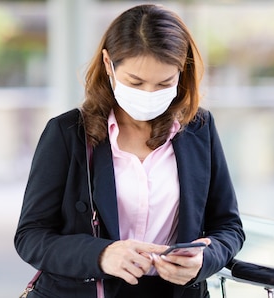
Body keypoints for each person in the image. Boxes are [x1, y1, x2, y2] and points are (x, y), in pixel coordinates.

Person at [14, 4, 244, 298]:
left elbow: (228, 225)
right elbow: (30, 236)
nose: (149, 94)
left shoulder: (199, 128)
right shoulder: (67, 133)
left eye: (164, 83)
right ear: (109, 64)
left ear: (181, 71)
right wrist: (102, 254)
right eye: (135, 82)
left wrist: (204, 261)